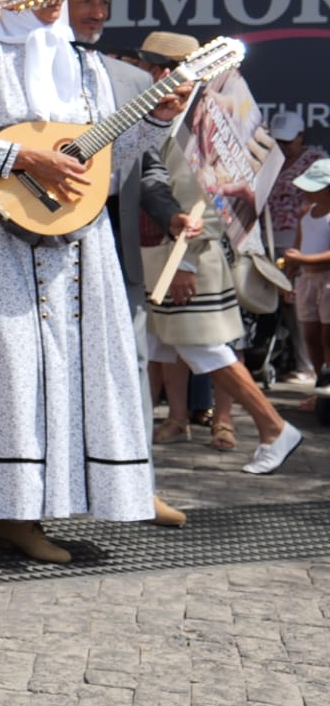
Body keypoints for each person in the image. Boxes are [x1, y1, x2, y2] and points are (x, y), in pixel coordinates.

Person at [0, 0, 188, 564]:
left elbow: (109, 156)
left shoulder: (83, 66)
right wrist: (17, 156)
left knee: (55, 377)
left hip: (72, 243)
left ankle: (23, 514)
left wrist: (160, 119)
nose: (51, 5)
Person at [137, 30, 301, 475]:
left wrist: (186, 261)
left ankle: (273, 428)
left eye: (148, 67)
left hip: (187, 256)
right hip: (172, 254)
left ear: (161, 71)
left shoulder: (197, 121)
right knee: (155, 347)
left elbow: (201, 199)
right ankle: (130, 451)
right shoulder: (188, 114)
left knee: (206, 349)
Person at [62, 0, 190, 526]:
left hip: (114, 240)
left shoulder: (136, 82)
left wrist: (171, 215)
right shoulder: (38, 69)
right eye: (86, 1)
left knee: (133, 363)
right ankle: (52, 495)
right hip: (49, 236)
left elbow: (150, 169)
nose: (96, 13)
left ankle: (140, 488)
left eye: (103, 5)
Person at [266, 111, 324, 385]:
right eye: (278, 141)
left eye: (288, 140)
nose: (283, 146)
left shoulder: (316, 163)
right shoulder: (269, 161)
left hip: (301, 243)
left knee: (302, 304)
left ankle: (309, 368)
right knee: (285, 302)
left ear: (301, 136)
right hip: (269, 240)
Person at [283, 160, 330, 424]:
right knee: (311, 337)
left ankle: (327, 392)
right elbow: (298, 247)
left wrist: (302, 260)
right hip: (307, 282)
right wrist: (290, 276)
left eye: (315, 188)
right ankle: (320, 390)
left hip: (328, 282)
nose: (308, 192)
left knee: (328, 337)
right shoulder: (305, 212)